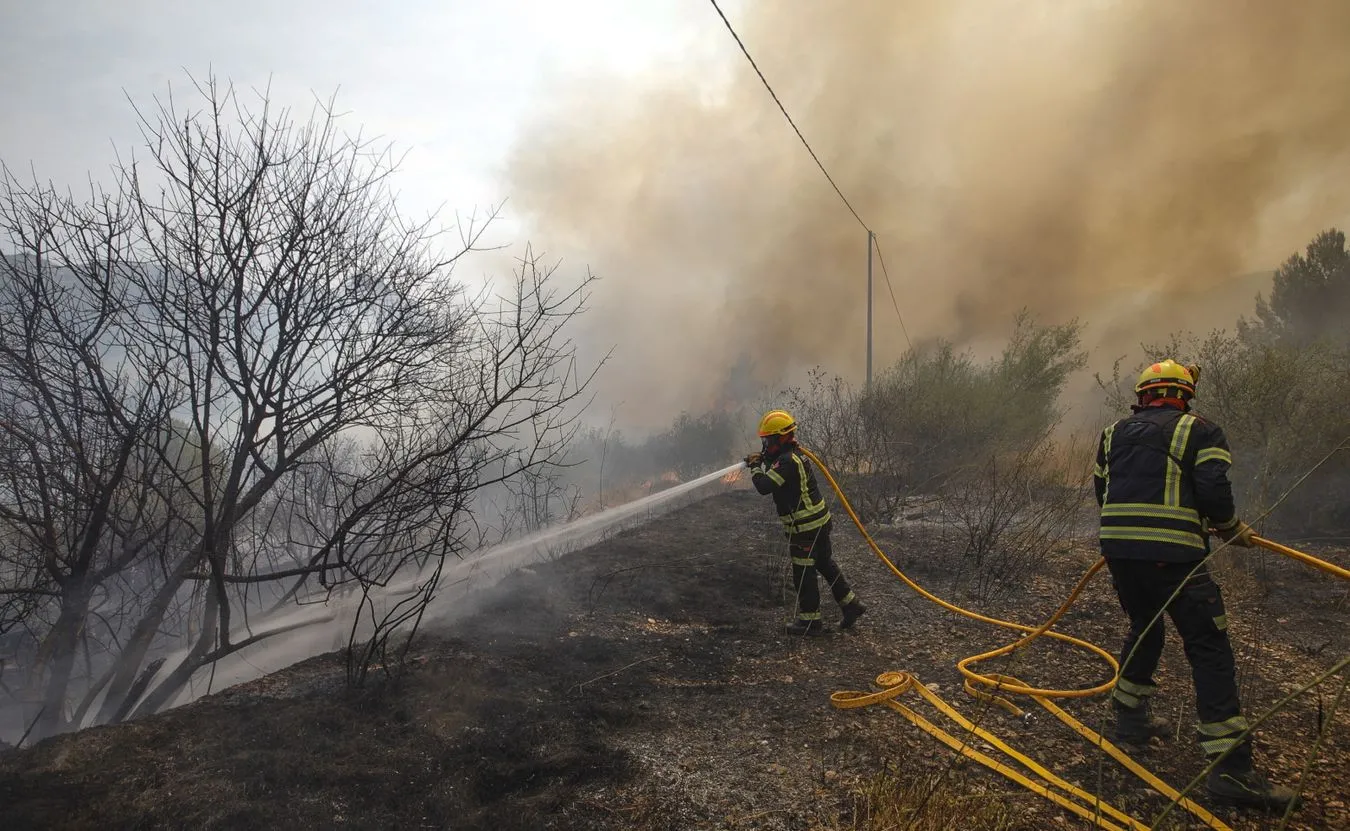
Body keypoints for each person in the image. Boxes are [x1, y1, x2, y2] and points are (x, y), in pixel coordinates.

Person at [1094, 359, 1295, 811]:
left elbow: (1102, 491)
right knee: (1208, 645)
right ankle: (1231, 771)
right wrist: (1230, 526)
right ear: (1184, 396)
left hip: (1120, 552)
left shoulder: (1112, 433)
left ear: (1143, 396)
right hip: (1175, 555)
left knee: (1146, 625)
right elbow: (1213, 489)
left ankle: (1130, 719)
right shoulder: (1201, 430)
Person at [746, 409, 866, 635]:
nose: (766, 445)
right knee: (825, 564)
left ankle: (810, 622)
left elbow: (764, 486)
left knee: (803, 574)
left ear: (781, 437)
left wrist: (754, 467)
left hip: (805, 529)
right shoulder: (793, 455)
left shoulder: (787, 462)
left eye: (769, 440)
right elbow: (776, 466)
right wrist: (764, 459)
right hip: (819, 523)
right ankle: (851, 605)